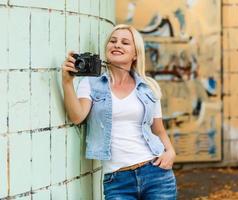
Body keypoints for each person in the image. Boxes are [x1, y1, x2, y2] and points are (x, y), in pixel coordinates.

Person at [61, 24, 177, 199]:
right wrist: (67, 83)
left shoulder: (148, 87)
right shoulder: (91, 83)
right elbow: (77, 117)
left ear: (135, 54)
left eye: (125, 42)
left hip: (156, 173)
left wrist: (171, 152)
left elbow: (158, 129)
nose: (117, 45)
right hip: (117, 180)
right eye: (113, 41)